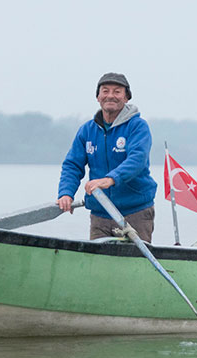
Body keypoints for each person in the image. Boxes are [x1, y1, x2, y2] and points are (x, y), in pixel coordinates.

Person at [57, 72, 157, 242]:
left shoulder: (137, 126)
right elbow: (73, 165)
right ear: (98, 97)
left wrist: (110, 179)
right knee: (98, 266)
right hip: (100, 214)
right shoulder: (87, 130)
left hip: (135, 212)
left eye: (117, 92)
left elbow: (137, 159)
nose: (110, 95)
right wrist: (66, 193)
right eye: (105, 91)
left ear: (126, 98)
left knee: (134, 265)